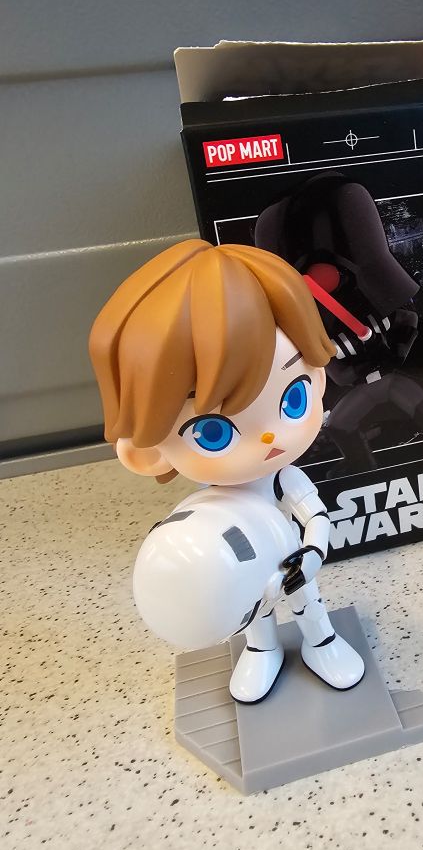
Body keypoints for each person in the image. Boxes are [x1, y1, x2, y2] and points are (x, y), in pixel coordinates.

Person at [89, 239, 365, 703]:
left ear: (317, 380)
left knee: (308, 605)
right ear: (148, 452)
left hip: (293, 563)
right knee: (256, 614)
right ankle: (261, 650)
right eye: (213, 432)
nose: (270, 438)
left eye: (293, 397)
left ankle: (322, 644)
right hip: (246, 577)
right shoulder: (209, 502)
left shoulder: (281, 479)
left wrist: (311, 557)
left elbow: (316, 516)